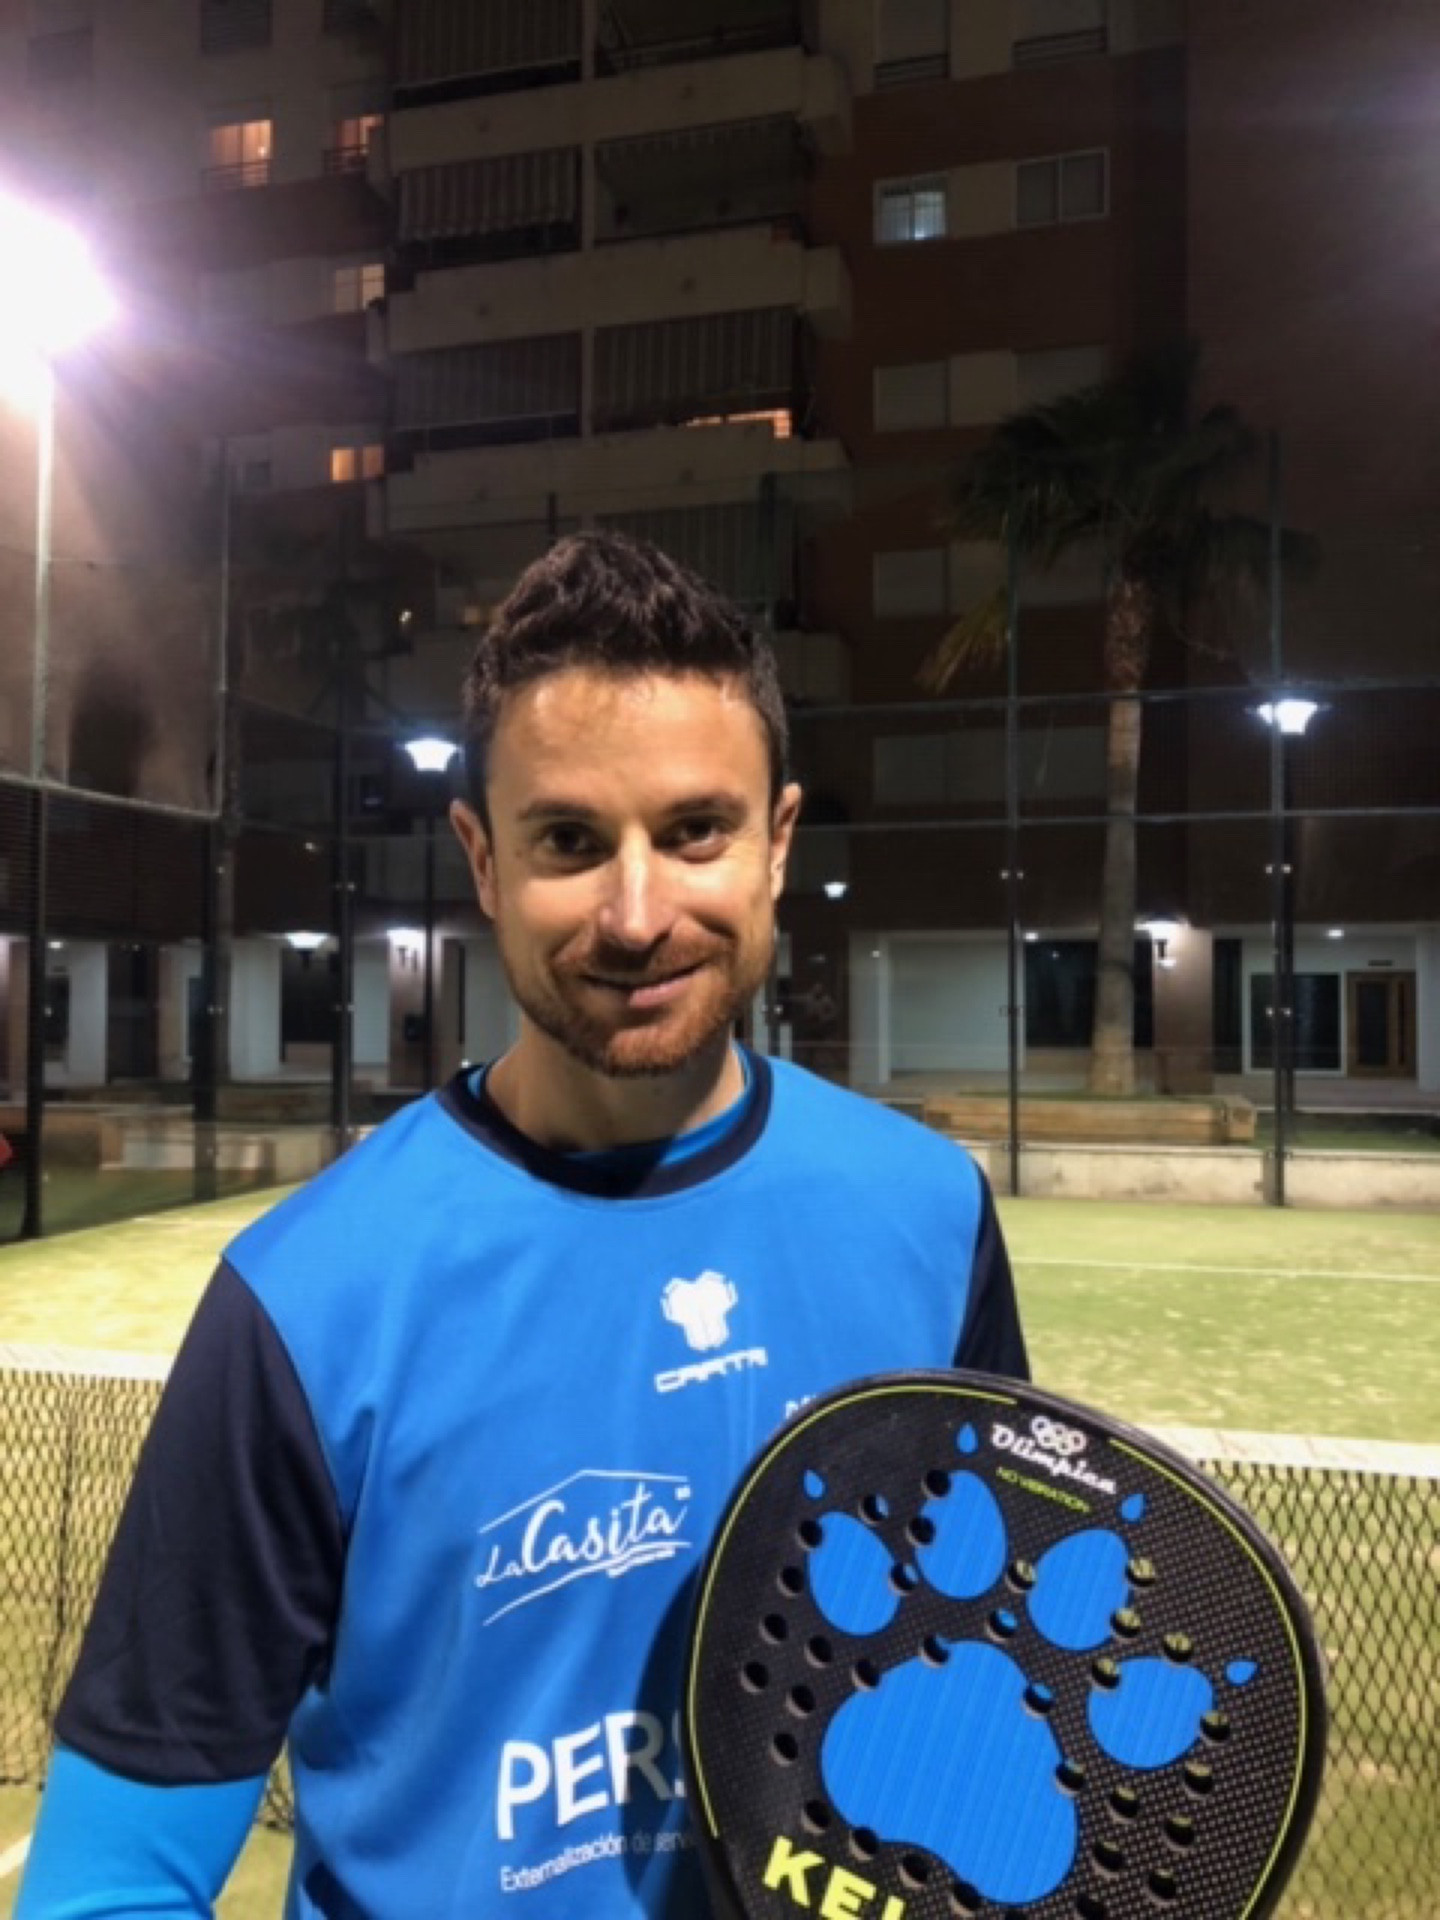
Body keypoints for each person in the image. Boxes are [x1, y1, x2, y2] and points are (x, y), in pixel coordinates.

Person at [18, 531, 1028, 1919]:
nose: (636, 913)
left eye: (695, 830)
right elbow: (107, 1885)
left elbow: (978, 1677)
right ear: (482, 859)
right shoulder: (305, 1301)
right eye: (569, 841)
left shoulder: (931, 1214)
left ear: (778, 845)